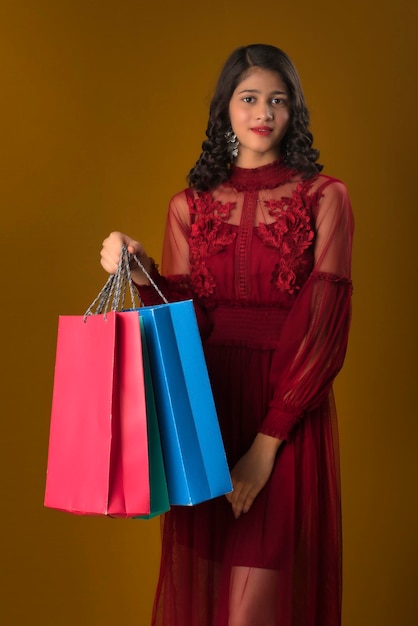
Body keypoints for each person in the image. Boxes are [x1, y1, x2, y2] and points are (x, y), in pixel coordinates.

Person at [100, 43, 354, 626]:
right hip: (207, 416)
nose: (263, 111)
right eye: (249, 98)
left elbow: (325, 325)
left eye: (278, 100)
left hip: (285, 416)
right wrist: (137, 269)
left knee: (254, 614)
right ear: (226, 111)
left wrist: (267, 445)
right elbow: (186, 321)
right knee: (212, 607)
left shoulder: (325, 198)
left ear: (294, 113)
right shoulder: (187, 207)